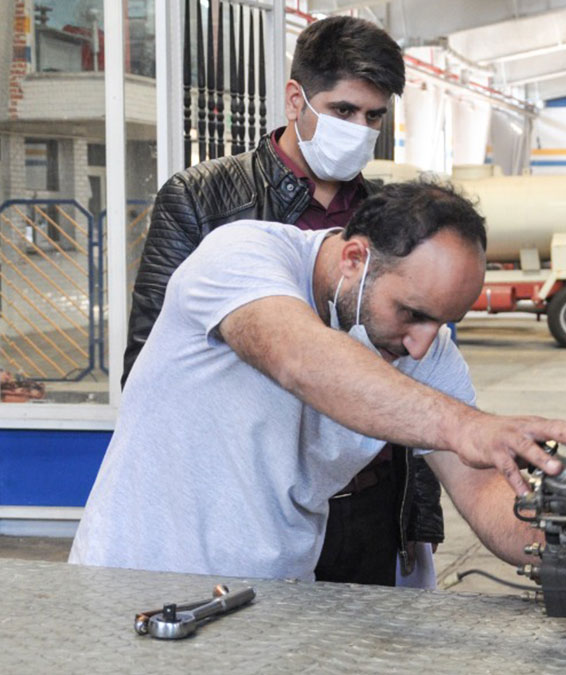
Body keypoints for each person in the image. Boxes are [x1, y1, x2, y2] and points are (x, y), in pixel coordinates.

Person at [70, 180, 566, 579]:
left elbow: (482, 487)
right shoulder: (240, 257)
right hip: (140, 579)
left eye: (444, 322)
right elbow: (301, 360)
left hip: (273, 597)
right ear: (355, 258)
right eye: (412, 313)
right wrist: (463, 425)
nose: (422, 344)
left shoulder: (422, 345)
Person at [125, 16, 443, 586]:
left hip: (369, 503)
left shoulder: (389, 219)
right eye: (343, 110)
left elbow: (418, 367)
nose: (360, 129)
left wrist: (416, 513)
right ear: (296, 100)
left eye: (373, 117)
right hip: (248, 505)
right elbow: (149, 361)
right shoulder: (203, 199)